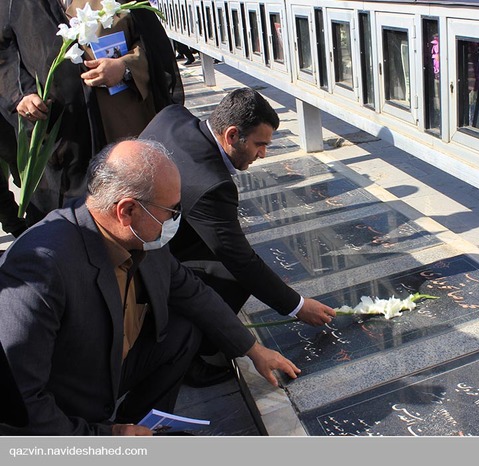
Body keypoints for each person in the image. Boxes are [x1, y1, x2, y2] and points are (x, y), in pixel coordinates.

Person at [0, 139, 300, 435]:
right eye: (171, 210)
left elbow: (192, 293)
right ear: (127, 210)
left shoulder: (137, 235)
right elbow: (20, 404)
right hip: (66, 407)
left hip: (109, 364)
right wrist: (104, 438)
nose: (175, 220)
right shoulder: (40, 270)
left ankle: (144, 427)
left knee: (183, 331)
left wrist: (253, 349)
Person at [140, 88, 336, 386]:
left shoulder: (173, 116)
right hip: (143, 263)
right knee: (231, 276)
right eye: (259, 144)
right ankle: (183, 355)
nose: (263, 154)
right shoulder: (211, 184)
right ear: (232, 135)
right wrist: (297, 306)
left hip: (146, 234)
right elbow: (239, 260)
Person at [0, 0, 183, 226]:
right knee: (70, 224)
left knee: (134, 210)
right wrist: (21, 94)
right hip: (62, 139)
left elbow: (153, 45)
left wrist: (124, 67)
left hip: (121, 124)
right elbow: (5, 52)